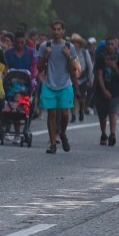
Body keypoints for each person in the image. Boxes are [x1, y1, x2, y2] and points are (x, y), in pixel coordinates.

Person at [37, 20, 80, 154]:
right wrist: (45, 57)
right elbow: (39, 68)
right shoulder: (45, 46)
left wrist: (69, 57)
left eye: (59, 29)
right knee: (51, 113)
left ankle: (62, 133)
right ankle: (53, 144)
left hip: (65, 84)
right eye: (54, 29)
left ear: (63, 31)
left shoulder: (69, 47)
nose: (56, 32)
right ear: (51, 30)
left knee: (65, 114)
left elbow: (74, 70)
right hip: (50, 84)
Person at [94, 37, 119, 145]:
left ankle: (112, 134)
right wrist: (103, 90)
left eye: (112, 44)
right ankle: (103, 133)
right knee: (102, 115)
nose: (110, 46)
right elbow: (99, 74)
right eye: (108, 44)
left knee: (112, 112)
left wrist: (115, 67)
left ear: (116, 45)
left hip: (114, 90)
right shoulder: (100, 57)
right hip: (100, 90)